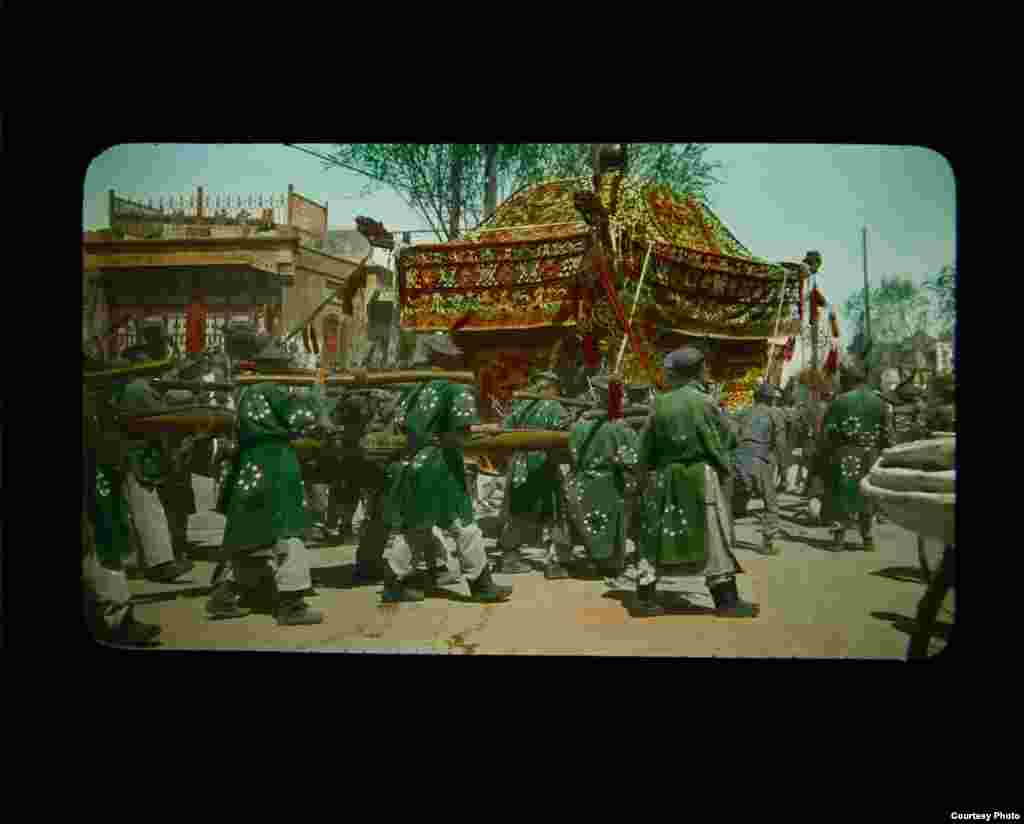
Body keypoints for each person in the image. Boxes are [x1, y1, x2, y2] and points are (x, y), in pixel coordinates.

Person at [378, 334, 512, 603]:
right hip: (442, 465)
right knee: (463, 524)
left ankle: (393, 583)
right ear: (448, 358)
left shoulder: (415, 389)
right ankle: (481, 584)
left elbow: (403, 424)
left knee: (416, 526)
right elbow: (461, 433)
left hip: (416, 462)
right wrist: (487, 429)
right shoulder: (455, 387)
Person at [205, 338, 328, 625]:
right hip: (275, 463)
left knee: (253, 532)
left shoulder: (245, 392)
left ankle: (225, 594)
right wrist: (318, 394)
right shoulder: (272, 390)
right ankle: (292, 603)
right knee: (288, 530)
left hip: (249, 465)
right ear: (280, 368)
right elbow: (304, 417)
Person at [631, 346, 759, 618]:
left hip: (665, 477)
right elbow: (723, 439)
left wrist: (645, 475)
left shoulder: (659, 404)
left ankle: (645, 599)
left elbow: (645, 448)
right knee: (714, 535)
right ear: (698, 371)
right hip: (701, 477)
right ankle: (726, 602)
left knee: (656, 534)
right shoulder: (705, 402)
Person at [83, 381, 162, 646]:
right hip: (92, 483)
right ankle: (114, 618)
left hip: (98, 478)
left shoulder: (95, 401)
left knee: (104, 549)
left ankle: (116, 616)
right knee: (101, 551)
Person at [563, 376, 642, 581]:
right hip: (609, 483)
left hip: (580, 480)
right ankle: (609, 564)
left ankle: (590, 559)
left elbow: (571, 452)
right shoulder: (620, 427)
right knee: (615, 520)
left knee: (585, 521)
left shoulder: (579, 425)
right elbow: (632, 458)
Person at [496, 371, 574, 575]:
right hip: (544, 465)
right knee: (554, 513)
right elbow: (568, 434)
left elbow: (503, 430)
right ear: (550, 388)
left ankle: (509, 557)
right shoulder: (555, 407)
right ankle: (555, 563)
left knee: (517, 511)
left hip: (519, 464)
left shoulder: (521, 406)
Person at [819, 360, 894, 552]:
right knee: (867, 494)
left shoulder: (839, 402)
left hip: (844, 455)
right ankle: (868, 538)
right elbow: (888, 435)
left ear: (848, 379)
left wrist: (826, 456)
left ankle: (839, 539)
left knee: (842, 493)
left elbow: (827, 433)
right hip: (871, 455)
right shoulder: (880, 403)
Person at [731, 382, 783, 555]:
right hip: (760, 460)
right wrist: (783, 467)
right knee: (771, 503)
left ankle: (728, 538)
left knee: (734, 499)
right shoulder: (775, 414)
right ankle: (768, 542)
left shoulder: (742, 413)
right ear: (770, 399)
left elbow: (730, 435)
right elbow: (780, 443)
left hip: (739, 459)